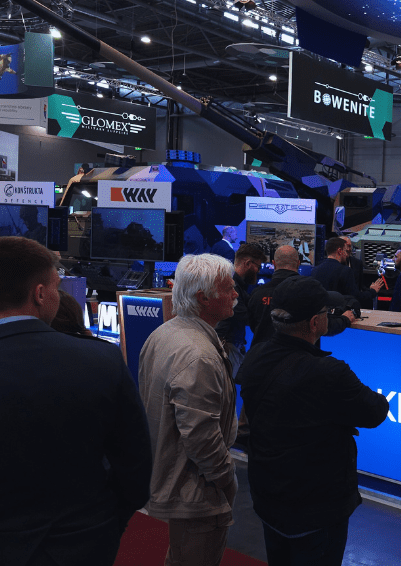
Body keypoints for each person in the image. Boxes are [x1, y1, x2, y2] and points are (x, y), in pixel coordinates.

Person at [0, 237, 152, 565]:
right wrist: (105, 524)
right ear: (40, 294)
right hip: (85, 544)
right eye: (57, 287)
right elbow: (136, 466)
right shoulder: (103, 362)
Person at [237, 277, 389, 566]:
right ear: (315, 323)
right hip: (316, 507)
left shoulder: (255, 356)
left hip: (269, 497)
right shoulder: (326, 372)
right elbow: (376, 411)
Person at [138, 254, 239, 566]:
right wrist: (227, 479)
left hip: (174, 480)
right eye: (228, 289)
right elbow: (201, 437)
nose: (236, 294)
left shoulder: (164, 333)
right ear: (203, 298)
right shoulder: (198, 355)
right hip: (196, 491)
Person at [249, 245, 355, 347]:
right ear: (298, 263)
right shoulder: (308, 291)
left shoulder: (257, 293)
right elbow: (322, 326)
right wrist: (344, 319)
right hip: (298, 358)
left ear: (274, 264)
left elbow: (253, 326)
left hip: (262, 357)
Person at [214, 242, 267, 374]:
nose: (259, 271)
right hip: (227, 345)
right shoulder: (231, 285)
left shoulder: (237, 284)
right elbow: (244, 315)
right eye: (258, 267)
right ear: (248, 264)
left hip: (229, 343)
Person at [311, 236, 383, 306]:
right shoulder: (345, 271)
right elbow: (355, 297)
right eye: (345, 250)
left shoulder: (315, 270)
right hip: (339, 314)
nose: (346, 254)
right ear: (339, 251)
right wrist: (373, 291)